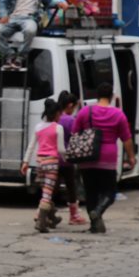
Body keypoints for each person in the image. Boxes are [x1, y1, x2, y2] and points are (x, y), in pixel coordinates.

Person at [73, 82, 136, 234]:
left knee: (91, 192)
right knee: (110, 192)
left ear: (97, 95)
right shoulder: (118, 114)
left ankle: (95, 224)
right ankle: (99, 211)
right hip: (108, 158)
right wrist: (131, 157)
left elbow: (75, 133)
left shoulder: (85, 112)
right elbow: (126, 138)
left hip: (87, 158)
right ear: (112, 97)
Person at [21, 99, 67, 233]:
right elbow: (61, 149)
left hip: (40, 163)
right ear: (57, 113)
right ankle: (41, 221)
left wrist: (25, 162)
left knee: (46, 191)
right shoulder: (58, 128)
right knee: (47, 194)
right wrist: (67, 159)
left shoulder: (38, 127)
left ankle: (52, 217)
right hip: (52, 163)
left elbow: (31, 146)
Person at [56, 91, 87, 226]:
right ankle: (73, 215)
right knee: (71, 187)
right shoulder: (70, 120)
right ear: (70, 105)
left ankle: (43, 212)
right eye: (74, 107)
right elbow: (76, 137)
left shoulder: (55, 118)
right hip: (66, 159)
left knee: (51, 187)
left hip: (52, 158)